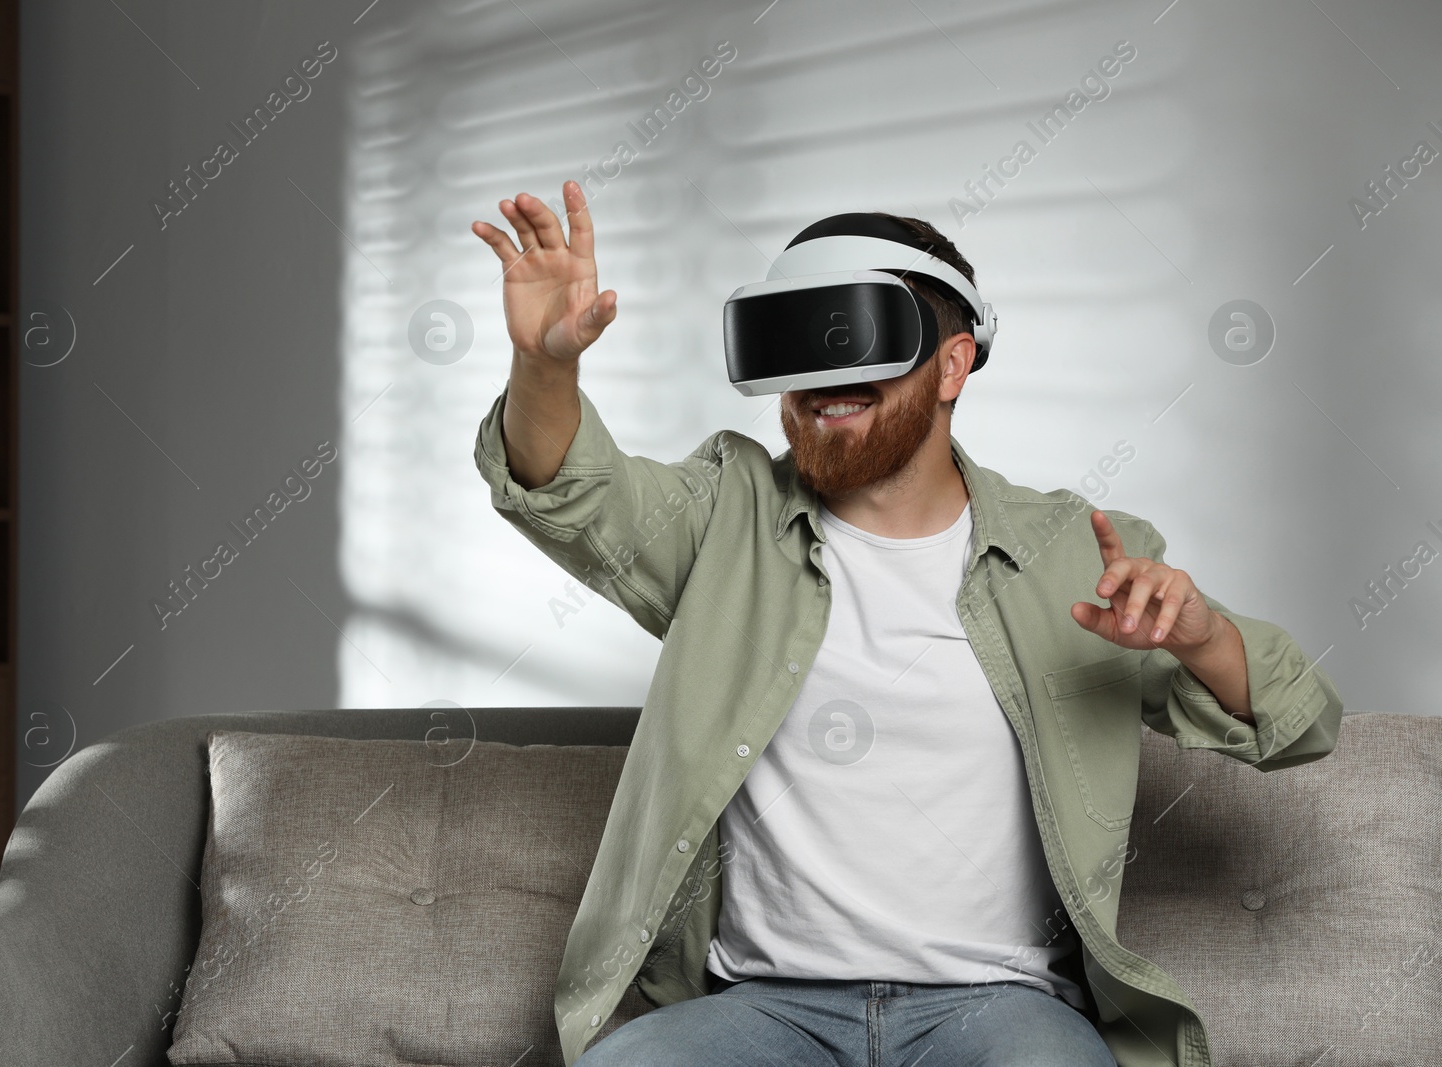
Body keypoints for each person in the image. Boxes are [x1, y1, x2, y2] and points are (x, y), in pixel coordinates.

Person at [470, 180, 1343, 1067]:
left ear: (953, 364)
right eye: (798, 346)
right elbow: (567, 490)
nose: (825, 381)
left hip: (998, 1010)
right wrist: (545, 364)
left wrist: (1200, 638)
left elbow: (1300, 722)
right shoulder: (724, 517)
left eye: (854, 339)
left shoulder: (1073, 555)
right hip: (764, 1009)